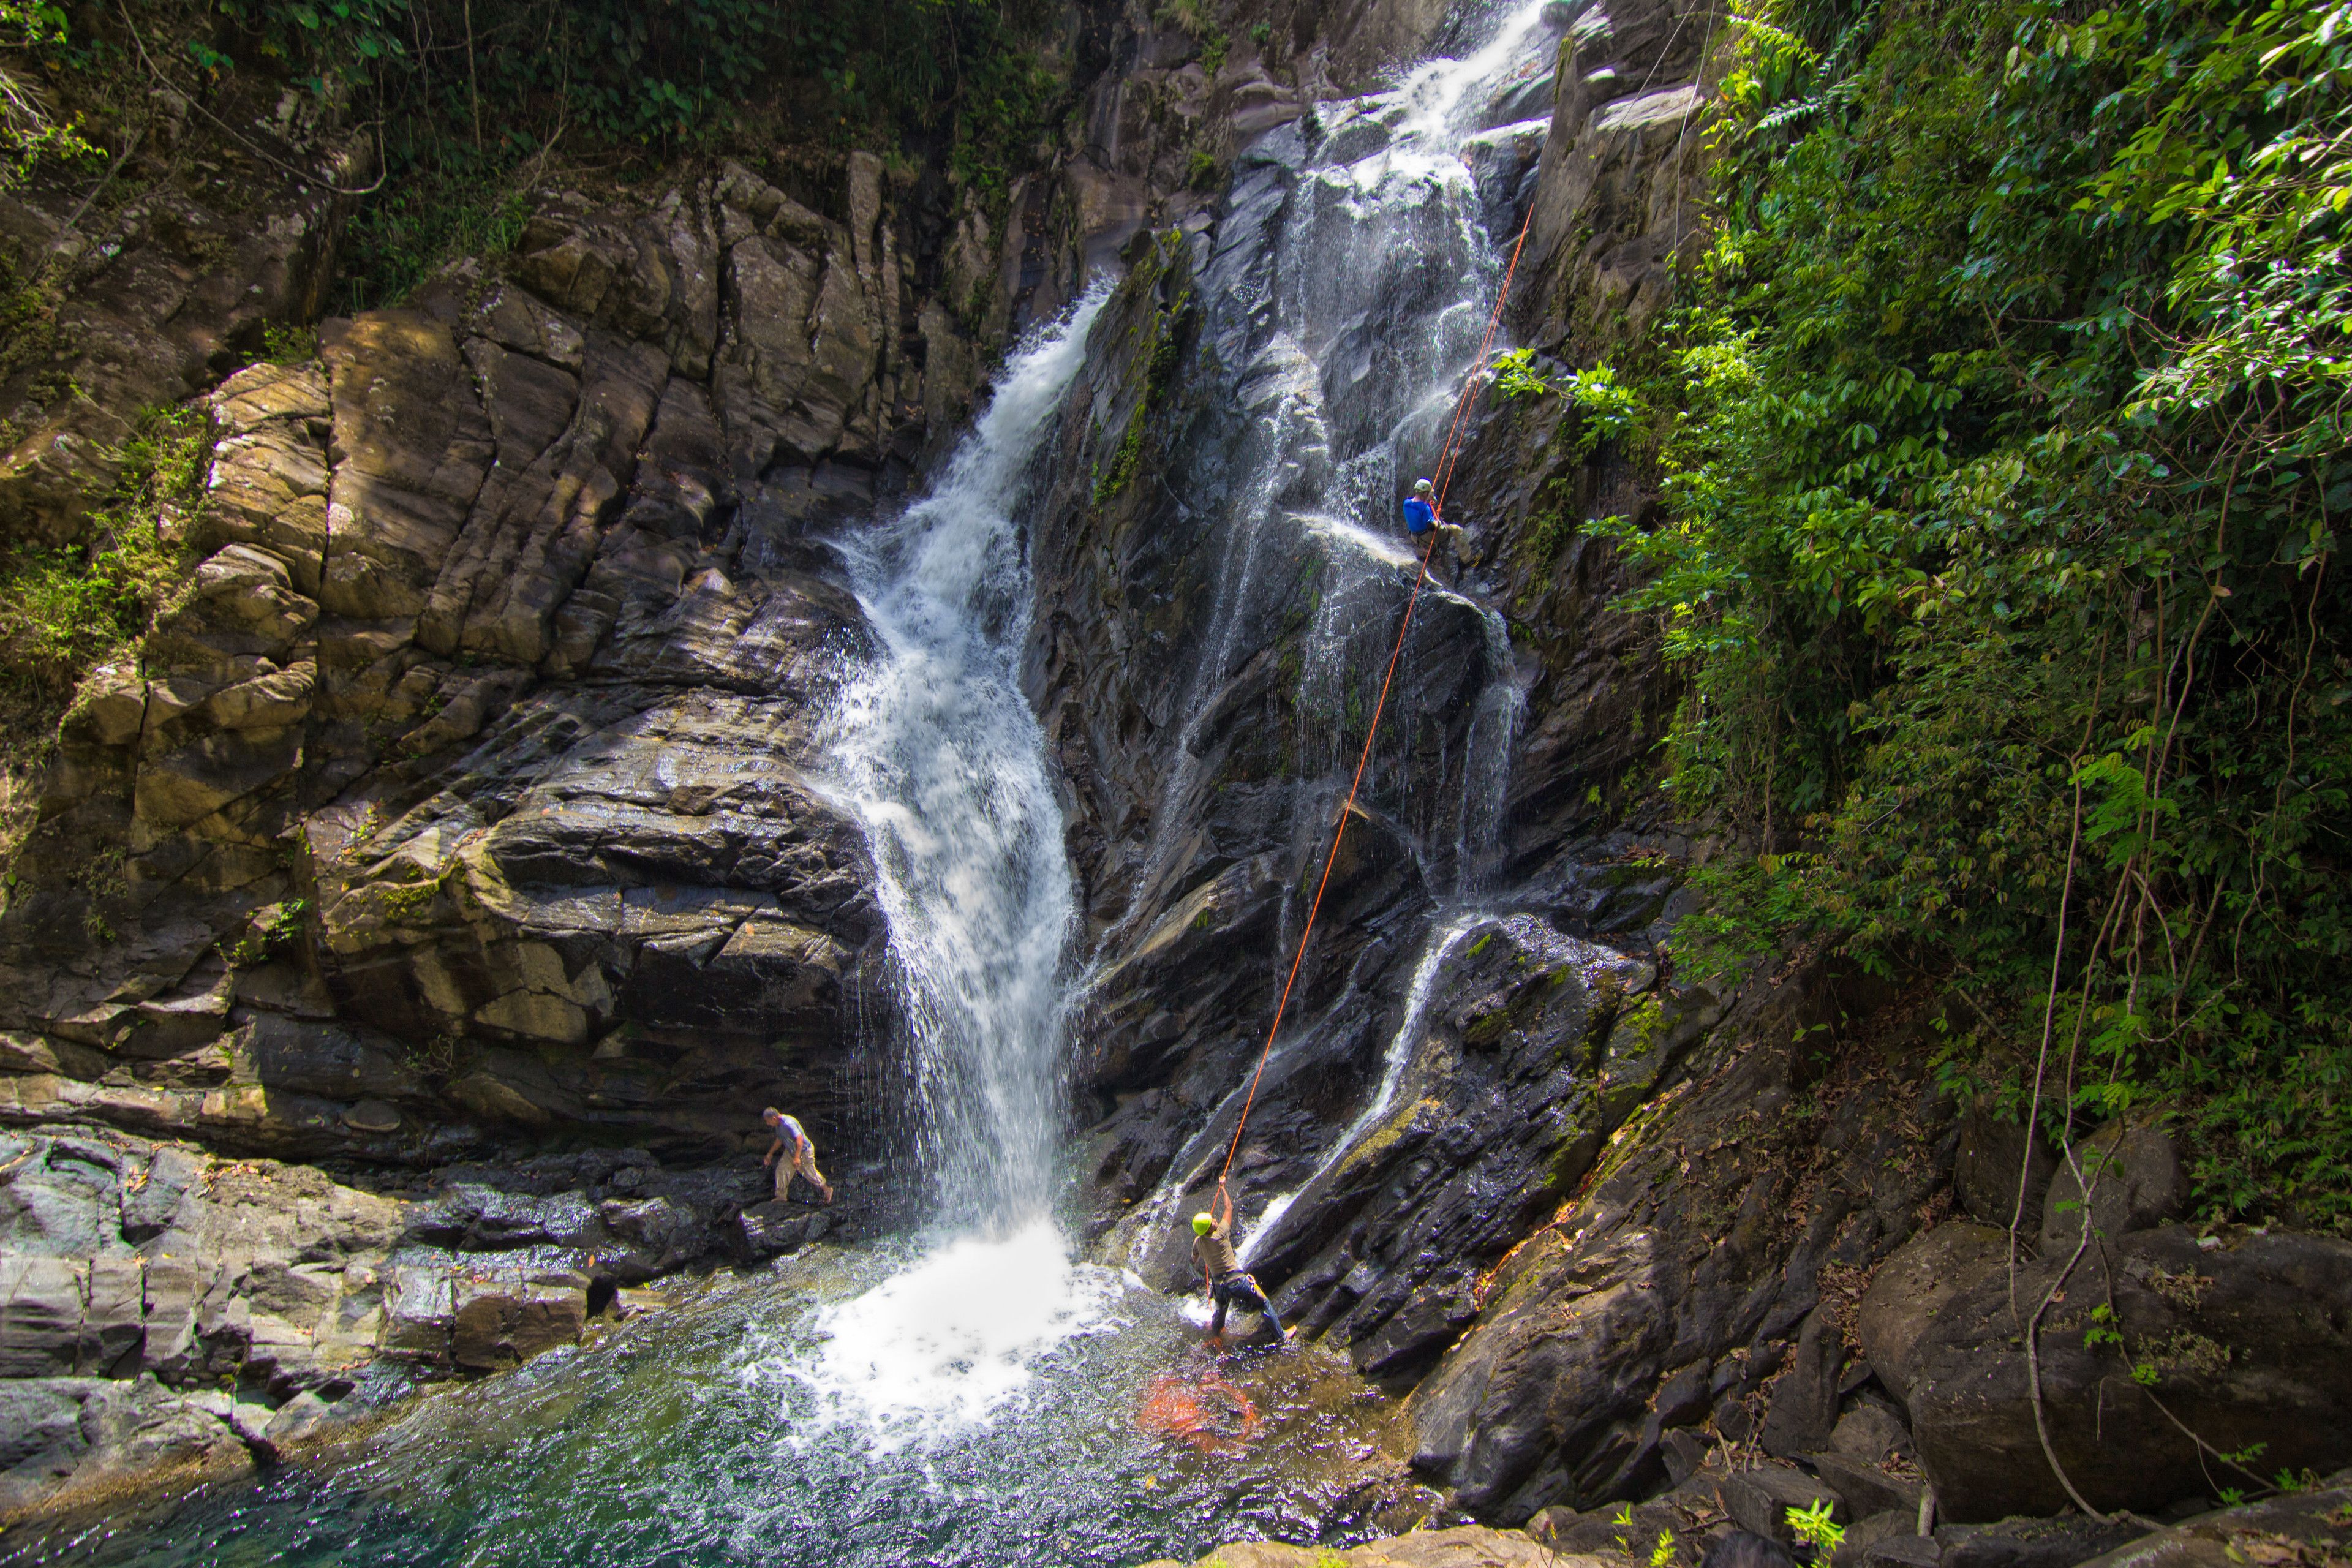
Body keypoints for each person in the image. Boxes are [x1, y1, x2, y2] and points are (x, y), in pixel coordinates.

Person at [1191, 1186, 1291, 1347]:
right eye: (1212, 1222)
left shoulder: (1198, 1242)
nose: (1215, 1220)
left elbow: (1194, 1259)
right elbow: (1229, 1208)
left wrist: (1201, 1250)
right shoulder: (1221, 1232)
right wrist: (1223, 1188)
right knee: (1263, 1302)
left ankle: (1216, 1338)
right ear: (1208, 1228)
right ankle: (1281, 1337)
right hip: (1236, 1281)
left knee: (1220, 1314)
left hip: (1219, 1287)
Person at [1400, 477, 1470, 587]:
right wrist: (1438, 522)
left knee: (1432, 535)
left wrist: (1427, 500)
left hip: (1415, 537)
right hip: (1427, 536)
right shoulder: (1425, 508)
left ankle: (1431, 551)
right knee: (1457, 530)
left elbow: (1417, 508)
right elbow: (1432, 526)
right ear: (1425, 493)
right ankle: (1467, 559)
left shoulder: (1406, 503)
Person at [761, 1107, 834, 1205]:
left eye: (768, 1121)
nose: (768, 1124)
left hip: (804, 1151)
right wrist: (770, 1154)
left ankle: (827, 1190)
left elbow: (800, 1139)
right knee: (782, 1170)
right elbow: (780, 1139)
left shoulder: (788, 1123)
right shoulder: (778, 1125)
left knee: (809, 1173)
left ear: (774, 1118)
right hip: (791, 1151)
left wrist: (797, 1157)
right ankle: (781, 1196)